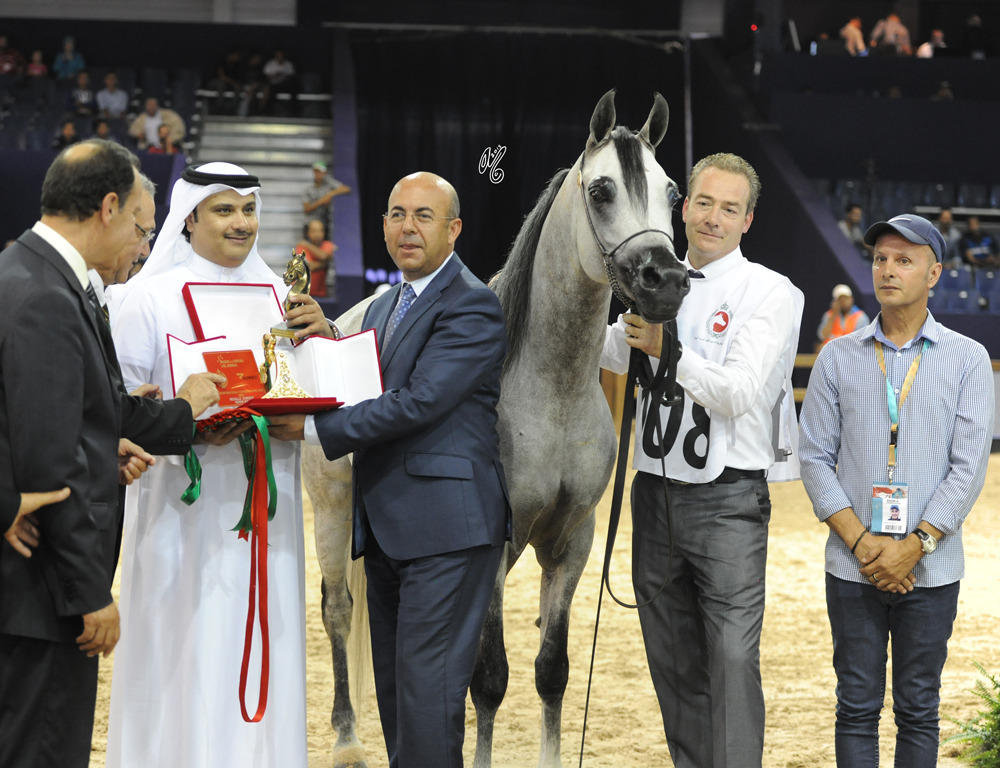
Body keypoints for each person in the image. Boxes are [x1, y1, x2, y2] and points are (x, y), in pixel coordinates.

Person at [269, 171, 510, 767]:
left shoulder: (472, 304)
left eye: (424, 216)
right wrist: (326, 338)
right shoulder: (385, 304)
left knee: (427, 699)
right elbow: (369, 373)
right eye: (397, 214)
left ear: (453, 229)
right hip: (386, 528)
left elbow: (421, 400)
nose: (408, 227)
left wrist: (315, 430)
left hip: (447, 532)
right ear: (381, 225)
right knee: (402, 699)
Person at [105, 161, 333, 768]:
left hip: (268, 510)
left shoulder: (283, 300)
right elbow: (116, 411)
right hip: (177, 513)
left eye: (249, 209)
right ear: (189, 219)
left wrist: (323, 339)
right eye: (224, 210)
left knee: (265, 636)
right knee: (183, 646)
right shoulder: (145, 298)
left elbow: (314, 395)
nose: (241, 223)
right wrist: (188, 419)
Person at [600, 153, 804, 768]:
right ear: (683, 208)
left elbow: (738, 393)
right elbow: (610, 350)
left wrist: (668, 350)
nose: (714, 217)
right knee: (672, 657)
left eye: (730, 208)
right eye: (704, 203)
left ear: (748, 221)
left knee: (734, 659)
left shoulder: (771, 292)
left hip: (729, 502)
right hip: (653, 494)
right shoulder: (651, 279)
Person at [0, 139, 188, 768]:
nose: (142, 245)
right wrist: (88, 594)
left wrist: (100, 444)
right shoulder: (48, 298)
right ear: (108, 207)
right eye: (141, 227)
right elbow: (48, 470)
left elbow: (34, 425)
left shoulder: (21, 273)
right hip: (42, 596)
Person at [798, 213, 993, 766]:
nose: (888, 269)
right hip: (852, 566)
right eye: (881, 258)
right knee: (855, 707)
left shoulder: (967, 359)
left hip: (930, 569)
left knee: (918, 708)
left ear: (934, 273)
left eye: (904, 260)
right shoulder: (838, 356)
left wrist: (915, 544)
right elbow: (813, 457)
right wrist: (864, 544)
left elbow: (969, 468)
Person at [302, 160, 350, 236]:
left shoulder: (329, 184)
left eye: (320, 172)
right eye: (316, 172)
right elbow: (307, 209)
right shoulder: (308, 190)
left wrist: (330, 194)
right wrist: (322, 201)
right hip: (310, 223)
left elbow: (346, 189)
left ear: (325, 173)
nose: (318, 174)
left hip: (324, 223)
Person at [294, 217, 335, 297]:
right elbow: (308, 267)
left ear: (324, 233)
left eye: (320, 231)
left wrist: (308, 245)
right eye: (314, 231)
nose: (317, 234)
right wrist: (324, 264)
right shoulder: (301, 247)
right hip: (301, 292)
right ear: (308, 233)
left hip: (320, 294)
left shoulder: (328, 245)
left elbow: (324, 256)